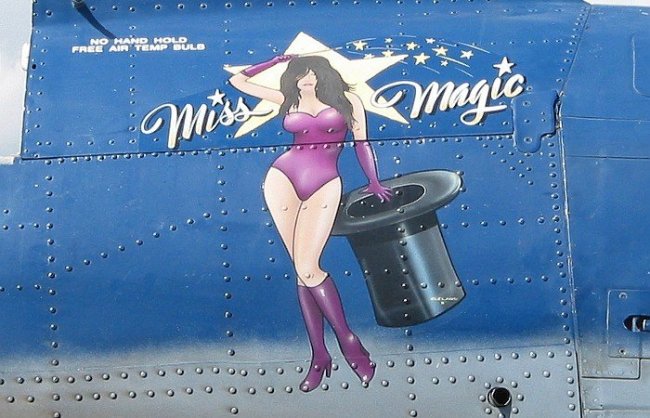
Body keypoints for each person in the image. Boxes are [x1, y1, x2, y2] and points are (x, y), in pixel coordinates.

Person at [229, 54, 391, 392]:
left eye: (312, 72)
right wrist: (273, 61)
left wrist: (374, 181)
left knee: (308, 267)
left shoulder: (348, 100)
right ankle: (319, 354)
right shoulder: (286, 100)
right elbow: (238, 81)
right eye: (300, 73)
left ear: (322, 74)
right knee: (303, 270)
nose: (306, 78)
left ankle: (348, 342)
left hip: (325, 182)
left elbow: (362, 143)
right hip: (282, 178)